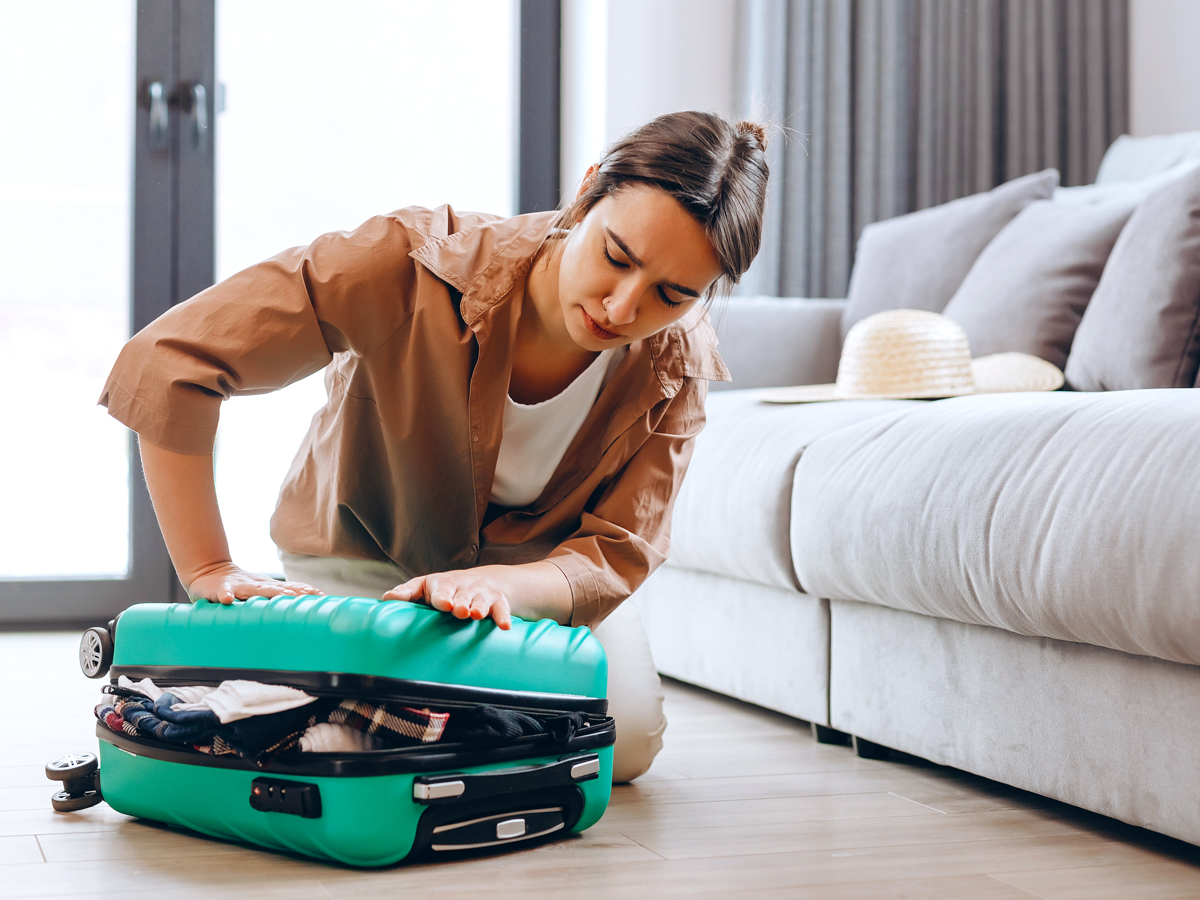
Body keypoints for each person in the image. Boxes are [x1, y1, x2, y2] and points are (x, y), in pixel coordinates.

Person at [100, 110, 770, 781]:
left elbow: (618, 549)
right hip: (365, 553)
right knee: (393, 707)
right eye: (615, 257)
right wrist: (208, 567)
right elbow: (171, 363)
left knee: (625, 743)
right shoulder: (412, 261)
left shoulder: (676, 361)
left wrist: (500, 583)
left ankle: (393, 708)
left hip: (522, 586)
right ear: (587, 191)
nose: (623, 309)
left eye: (671, 294)